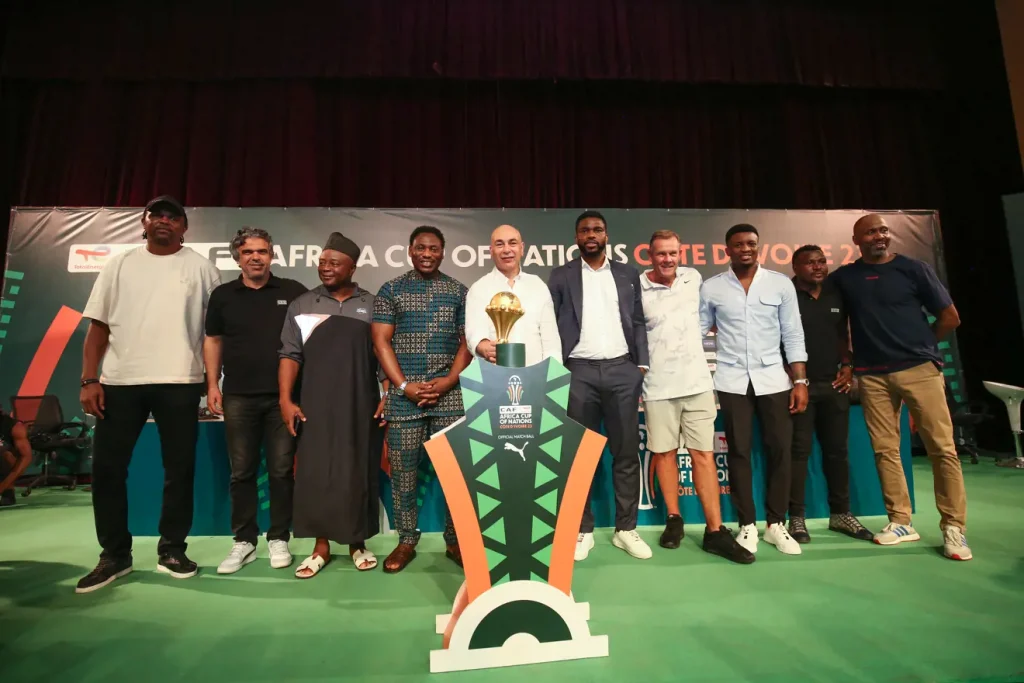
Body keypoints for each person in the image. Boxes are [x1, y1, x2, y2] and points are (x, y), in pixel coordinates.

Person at [76, 195, 222, 594]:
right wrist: (89, 379)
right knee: (108, 470)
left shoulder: (203, 269)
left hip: (180, 381)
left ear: (184, 227)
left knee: (179, 470)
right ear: (144, 222)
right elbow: (98, 326)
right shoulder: (119, 264)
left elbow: (213, 334)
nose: (164, 221)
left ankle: (172, 549)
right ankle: (114, 555)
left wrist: (212, 381)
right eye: (156, 214)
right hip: (120, 382)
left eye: (173, 217)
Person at [829, 214, 971, 560]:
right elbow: (836, 323)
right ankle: (901, 522)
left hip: (919, 369)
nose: (879, 236)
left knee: (942, 449)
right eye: (871, 232)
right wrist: (848, 362)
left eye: (883, 230)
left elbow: (950, 317)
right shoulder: (845, 278)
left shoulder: (914, 269)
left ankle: (954, 527)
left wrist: (924, 347)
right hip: (872, 376)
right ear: (856, 239)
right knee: (885, 450)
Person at [640, 230, 754, 564]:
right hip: (657, 386)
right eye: (661, 254)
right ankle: (674, 519)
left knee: (703, 455)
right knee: (664, 454)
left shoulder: (694, 278)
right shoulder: (638, 287)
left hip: (698, 384)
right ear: (650, 256)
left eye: (673, 253)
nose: (667, 259)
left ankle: (715, 532)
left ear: (680, 254)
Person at [278, 233, 385, 578]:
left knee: (357, 470)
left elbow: (383, 354)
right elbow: (290, 355)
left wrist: (387, 393)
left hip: (360, 403)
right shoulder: (302, 304)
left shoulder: (372, 304)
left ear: (352, 268)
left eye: (334, 263)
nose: (326, 268)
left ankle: (357, 543)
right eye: (322, 262)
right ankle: (320, 547)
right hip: (314, 403)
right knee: (316, 472)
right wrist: (285, 399)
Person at [548, 210, 652, 561]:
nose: (591, 235)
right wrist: (558, 367)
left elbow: (637, 320)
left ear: (606, 235)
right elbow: (551, 324)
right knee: (580, 455)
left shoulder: (627, 273)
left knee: (626, 452)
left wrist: (640, 365)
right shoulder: (561, 276)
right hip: (578, 372)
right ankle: (583, 529)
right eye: (584, 230)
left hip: (623, 370)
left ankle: (626, 529)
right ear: (576, 238)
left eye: (597, 229)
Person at [203, 227, 308, 574]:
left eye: (262, 251)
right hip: (237, 396)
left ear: (271, 255)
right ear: (237, 258)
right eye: (248, 252)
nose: (255, 257)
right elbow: (213, 340)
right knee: (241, 472)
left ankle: (279, 537)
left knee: (281, 471)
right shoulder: (222, 295)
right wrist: (212, 384)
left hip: (284, 400)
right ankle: (244, 541)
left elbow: (311, 338)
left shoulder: (293, 291)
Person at [700, 224, 808, 556]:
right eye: (738, 244)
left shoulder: (779, 284)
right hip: (731, 381)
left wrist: (800, 381)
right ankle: (747, 524)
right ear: (727, 250)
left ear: (758, 246)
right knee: (739, 452)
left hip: (774, 379)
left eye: (751, 243)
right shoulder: (712, 287)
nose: (745, 249)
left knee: (780, 450)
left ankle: (776, 524)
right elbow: (698, 331)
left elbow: (793, 333)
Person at [372, 226, 473, 573]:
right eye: (421, 248)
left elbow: (467, 342)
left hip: (450, 396)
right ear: (410, 250)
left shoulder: (459, 291)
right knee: (402, 474)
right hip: (404, 399)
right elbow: (381, 342)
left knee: (456, 474)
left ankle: (455, 540)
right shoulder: (391, 290)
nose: (427, 254)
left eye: (433, 248)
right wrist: (403, 386)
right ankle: (406, 541)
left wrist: (448, 381)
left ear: (442, 252)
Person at [786, 245, 873, 543]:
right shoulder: (785, 295)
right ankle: (796, 518)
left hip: (834, 385)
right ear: (795, 267)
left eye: (821, 261)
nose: (818, 267)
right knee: (798, 453)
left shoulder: (836, 295)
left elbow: (842, 335)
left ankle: (840, 513)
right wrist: (792, 378)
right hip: (799, 387)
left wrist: (848, 365)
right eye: (810, 263)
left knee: (837, 452)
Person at [466, 224, 562, 366]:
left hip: (534, 375)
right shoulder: (479, 288)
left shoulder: (538, 286)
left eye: (512, 243)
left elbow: (551, 342)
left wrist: (553, 374)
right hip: (493, 374)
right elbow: (475, 333)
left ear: (522, 248)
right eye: (500, 244)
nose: (506, 250)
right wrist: (483, 346)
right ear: (491, 251)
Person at [0, 408, 32, 508]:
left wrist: (3, 486)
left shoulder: (15, 427)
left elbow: (26, 457)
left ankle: (7, 492)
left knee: (4, 453)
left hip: (8, 463)